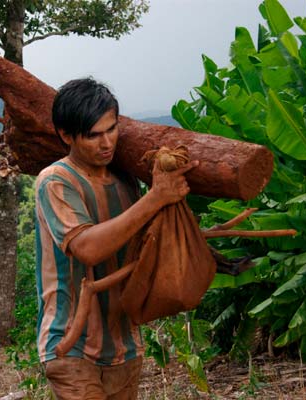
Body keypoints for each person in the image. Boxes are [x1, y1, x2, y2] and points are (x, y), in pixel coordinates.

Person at [35, 77, 197, 399]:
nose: (107, 143)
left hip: (125, 345)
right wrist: (156, 197)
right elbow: (88, 248)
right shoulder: (56, 181)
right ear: (66, 135)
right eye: (94, 135)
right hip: (71, 346)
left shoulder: (125, 180)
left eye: (112, 129)